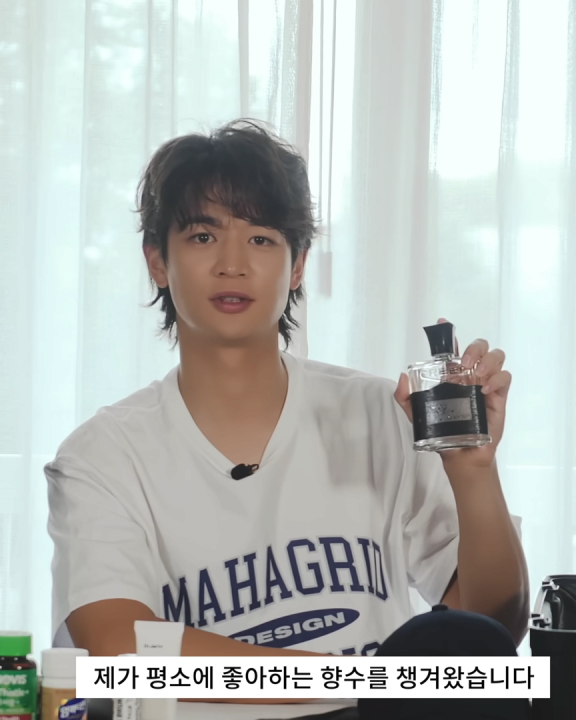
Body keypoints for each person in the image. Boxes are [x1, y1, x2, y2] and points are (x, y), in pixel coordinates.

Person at [44, 119, 528, 673]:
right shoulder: (102, 456)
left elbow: (492, 631)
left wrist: (473, 473)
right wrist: (360, 683)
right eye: (203, 237)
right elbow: (115, 644)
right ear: (157, 261)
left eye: (261, 238)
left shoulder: (383, 416)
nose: (232, 264)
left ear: (297, 264)